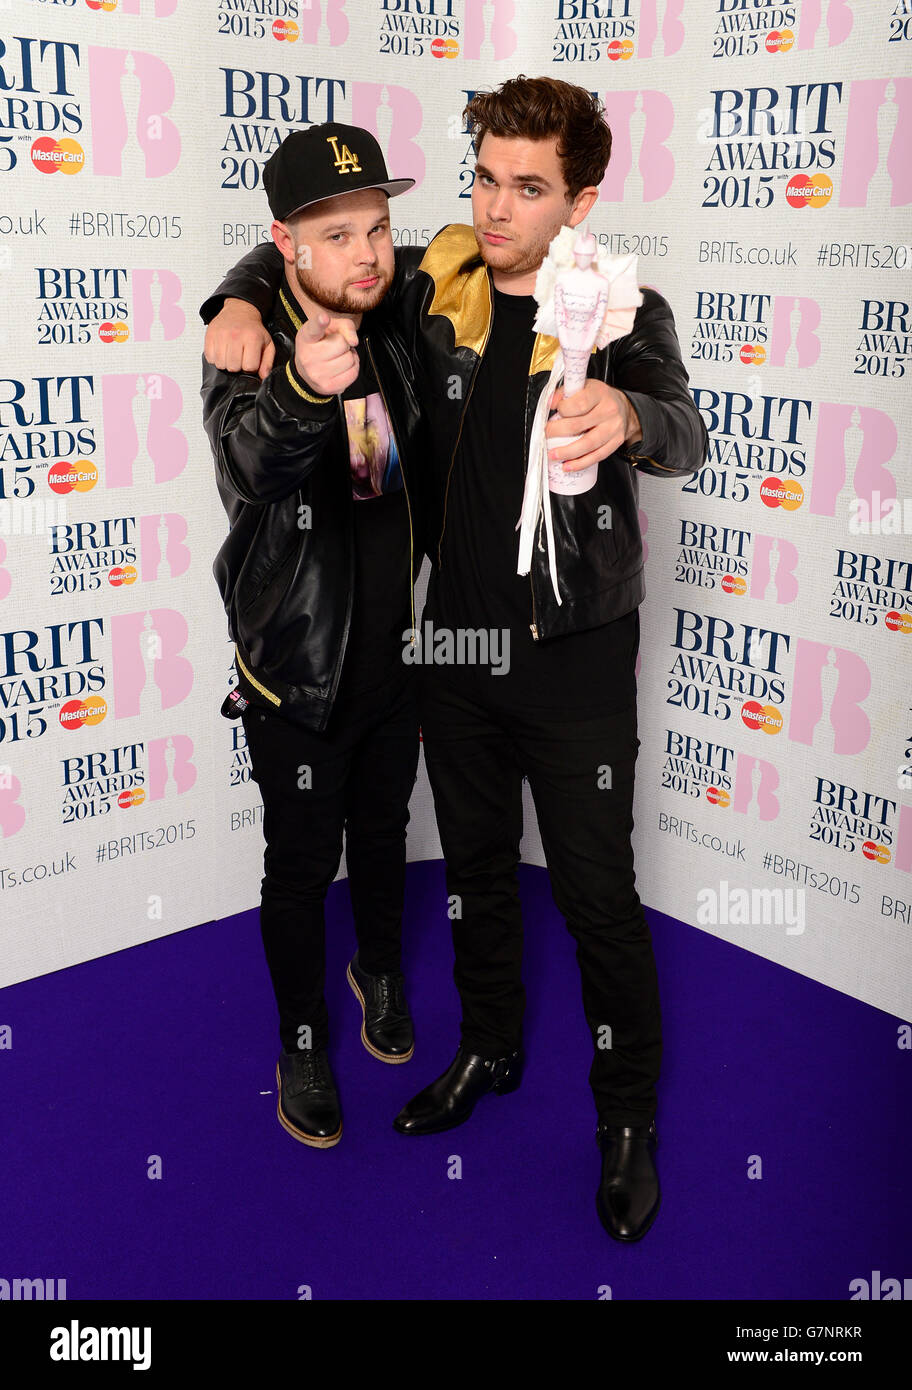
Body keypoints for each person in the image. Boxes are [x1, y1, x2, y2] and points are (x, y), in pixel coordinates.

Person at [201, 77, 708, 1239]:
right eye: (484, 176)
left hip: (574, 660)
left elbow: (687, 429)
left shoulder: (627, 314)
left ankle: (625, 1119)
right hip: (453, 653)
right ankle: (488, 1048)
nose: (496, 205)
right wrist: (231, 296)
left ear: (582, 197)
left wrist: (632, 422)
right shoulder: (435, 292)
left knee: (594, 901)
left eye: (529, 187)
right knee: (478, 874)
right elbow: (319, 246)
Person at [201, 123, 428, 1150]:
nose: (369, 252)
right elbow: (251, 467)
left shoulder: (390, 312)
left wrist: (243, 278)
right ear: (290, 244)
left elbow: (372, 482)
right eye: (337, 235)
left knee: (384, 834)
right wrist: (296, 379)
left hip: (392, 656)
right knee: (298, 870)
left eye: (377, 227)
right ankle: (301, 1038)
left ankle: (376, 966)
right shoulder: (248, 349)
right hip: (296, 668)